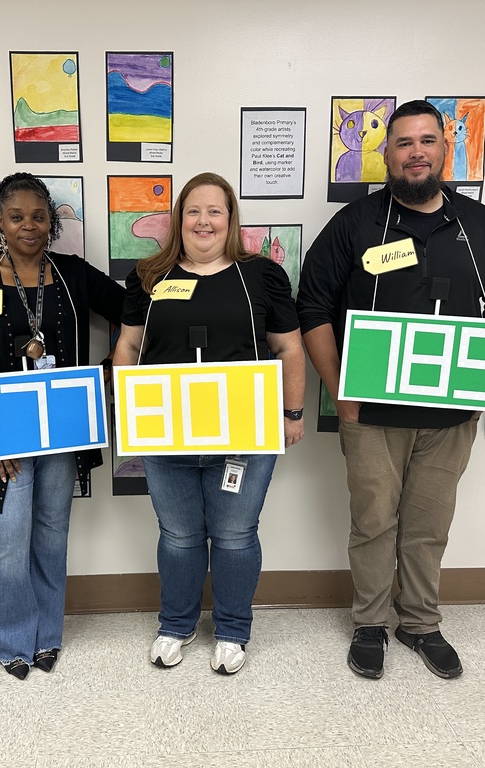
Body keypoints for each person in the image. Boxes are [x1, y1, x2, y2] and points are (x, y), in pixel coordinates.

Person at [296, 101, 485, 680]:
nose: (416, 152)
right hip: (370, 411)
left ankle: (420, 622)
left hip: (451, 416)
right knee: (373, 520)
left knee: (429, 523)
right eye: (404, 142)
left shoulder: (480, 225)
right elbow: (314, 308)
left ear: (446, 150)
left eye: (427, 140)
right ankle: (371, 622)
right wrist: (339, 390)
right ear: (386, 153)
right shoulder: (355, 224)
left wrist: (482, 381)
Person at [113, 172, 306, 675]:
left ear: (230, 218)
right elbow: (128, 348)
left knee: (236, 533)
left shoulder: (261, 276)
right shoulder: (148, 276)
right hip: (165, 429)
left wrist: (293, 413)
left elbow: (288, 347)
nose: (203, 221)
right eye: (193, 211)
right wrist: (127, 414)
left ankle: (232, 630)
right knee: (178, 534)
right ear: (180, 218)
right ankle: (175, 624)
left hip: (247, 430)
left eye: (214, 211)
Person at [0, 173, 125, 680]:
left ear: (51, 222)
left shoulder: (72, 274)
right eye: (16, 216)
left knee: (50, 533)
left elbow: (134, 309)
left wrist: (109, 370)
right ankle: (11, 640)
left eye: (39, 216)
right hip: (5, 433)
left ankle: (47, 637)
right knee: (9, 536)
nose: (29, 226)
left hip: (63, 428)